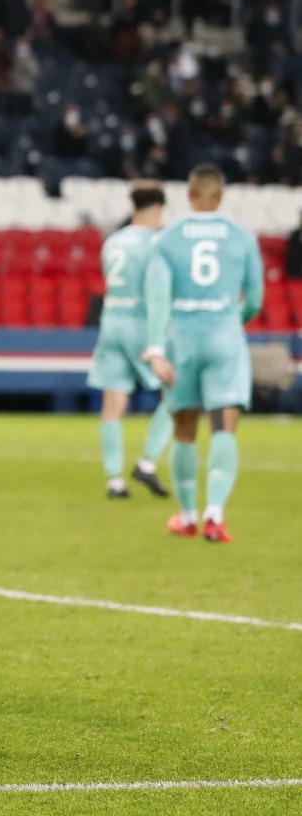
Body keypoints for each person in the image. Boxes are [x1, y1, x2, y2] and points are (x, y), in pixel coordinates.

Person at [144, 165, 265, 543]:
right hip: (224, 335)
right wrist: (232, 320)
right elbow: (255, 300)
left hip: (182, 338)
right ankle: (216, 515)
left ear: (190, 194)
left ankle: (187, 517)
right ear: (221, 196)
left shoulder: (167, 239)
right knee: (223, 427)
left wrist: (156, 349)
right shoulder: (242, 238)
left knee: (184, 429)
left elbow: (158, 298)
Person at [86, 182, 174, 499]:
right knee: (178, 393)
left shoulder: (113, 242)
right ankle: (147, 463)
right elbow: (159, 290)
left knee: (113, 403)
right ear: (157, 209)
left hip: (112, 323)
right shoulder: (158, 243)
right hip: (142, 323)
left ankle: (114, 481)